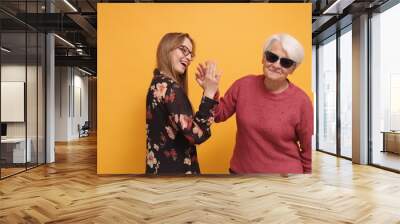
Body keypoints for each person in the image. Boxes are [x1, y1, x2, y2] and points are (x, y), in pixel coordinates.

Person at [196, 33, 313, 174]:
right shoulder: (243, 85)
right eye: (272, 57)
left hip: (285, 180)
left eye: (285, 62)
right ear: (263, 58)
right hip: (241, 175)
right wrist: (210, 91)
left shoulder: (302, 102)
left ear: (293, 69)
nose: (276, 65)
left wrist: (307, 182)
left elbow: (306, 150)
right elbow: (218, 115)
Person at [146, 32, 220, 175]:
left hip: (159, 172)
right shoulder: (170, 88)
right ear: (167, 49)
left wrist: (209, 92)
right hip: (176, 176)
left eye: (190, 54)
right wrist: (209, 94)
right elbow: (197, 135)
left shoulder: (157, 83)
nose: (188, 57)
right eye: (183, 50)